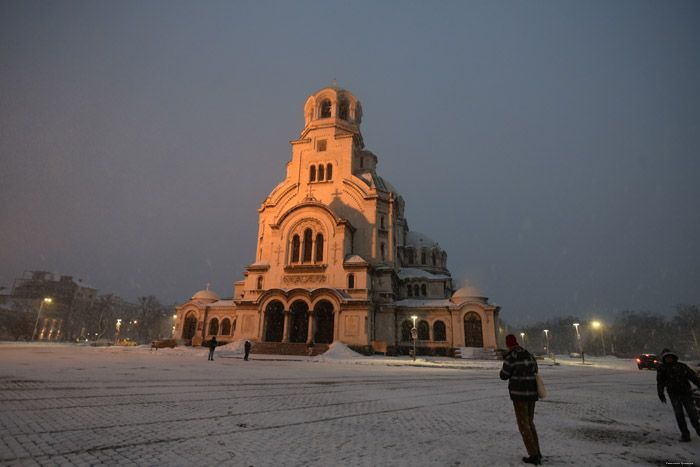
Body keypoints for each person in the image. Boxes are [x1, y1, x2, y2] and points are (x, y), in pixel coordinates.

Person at [500, 334, 542, 465]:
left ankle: (533, 455)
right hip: (532, 393)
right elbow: (535, 369)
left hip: (519, 395)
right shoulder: (529, 355)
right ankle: (537, 451)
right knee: (530, 423)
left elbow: (504, 375)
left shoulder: (511, 357)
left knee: (523, 425)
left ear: (508, 344)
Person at [657, 349, 700, 442]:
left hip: (686, 393)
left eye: (670, 358)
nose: (669, 360)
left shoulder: (682, 367)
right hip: (674, 394)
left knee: (692, 413)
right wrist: (660, 393)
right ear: (664, 359)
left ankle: (698, 429)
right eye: (667, 358)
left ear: (674, 358)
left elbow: (693, 377)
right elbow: (660, 382)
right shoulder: (662, 369)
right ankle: (685, 434)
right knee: (679, 414)